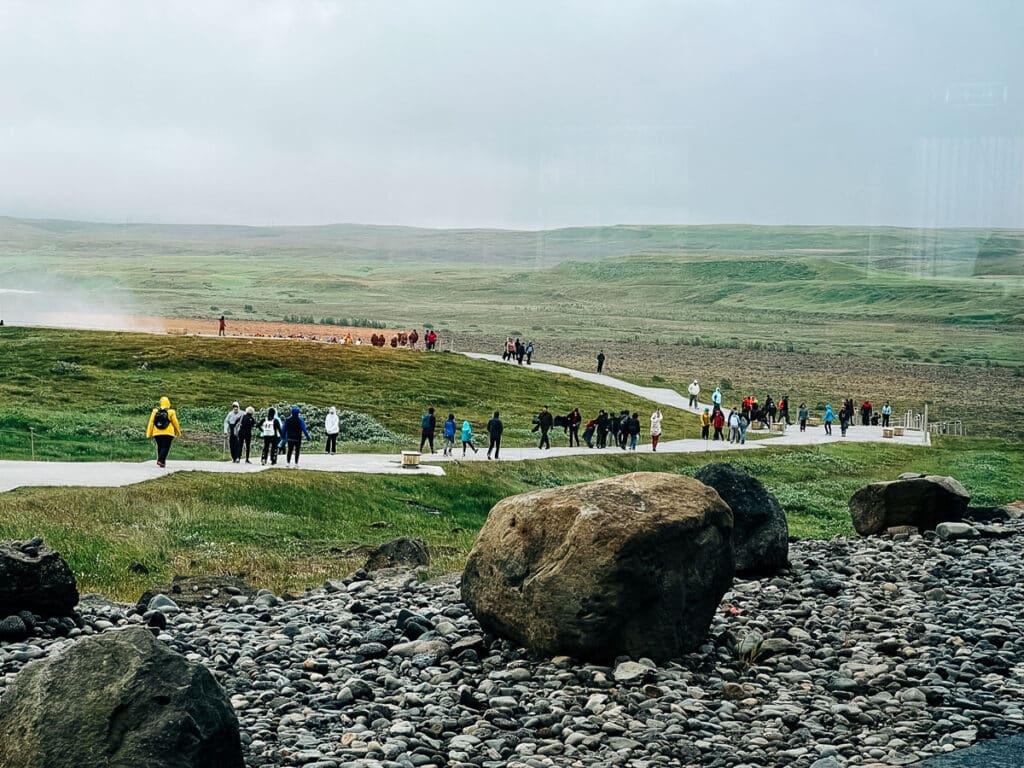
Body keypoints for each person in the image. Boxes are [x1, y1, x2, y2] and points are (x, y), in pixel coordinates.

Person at [146, 396, 181, 468]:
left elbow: (151, 422)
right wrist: (178, 432)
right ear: (168, 403)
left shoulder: (155, 411)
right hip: (168, 433)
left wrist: (149, 433)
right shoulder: (171, 412)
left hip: (157, 433)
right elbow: (175, 423)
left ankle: (162, 462)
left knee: (160, 447)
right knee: (165, 447)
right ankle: (160, 460)